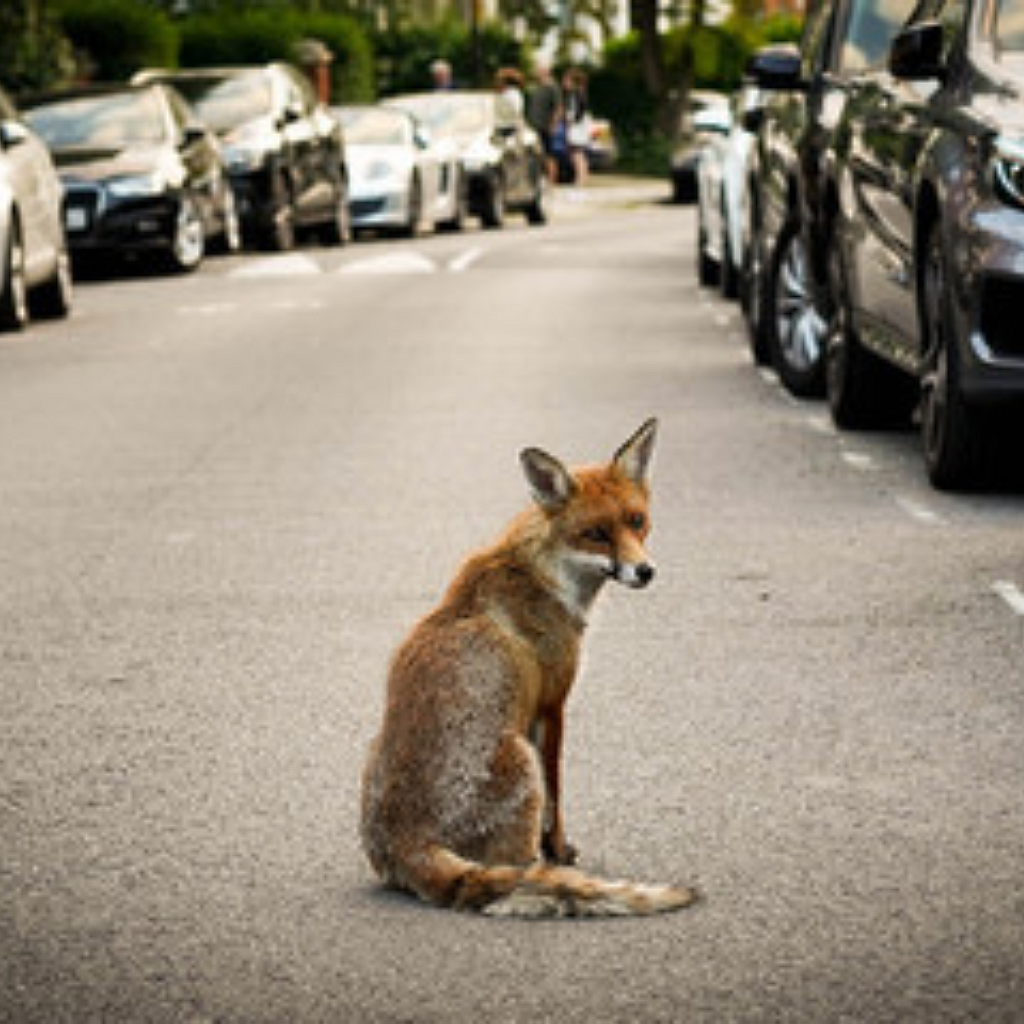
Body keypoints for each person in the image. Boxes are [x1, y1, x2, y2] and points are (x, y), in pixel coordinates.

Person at [526, 63, 562, 185]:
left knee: (549, 154)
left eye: (539, 71)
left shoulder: (552, 87)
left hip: (545, 125)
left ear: (546, 72)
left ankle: (552, 180)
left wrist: (553, 124)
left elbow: (558, 108)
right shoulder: (536, 87)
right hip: (534, 125)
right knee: (537, 154)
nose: (537, 73)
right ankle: (540, 179)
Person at [561, 68, 591, 187]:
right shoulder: (579, 93)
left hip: (577, 127)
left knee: (577, 152)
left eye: (566, 80)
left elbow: (577, 112)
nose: (564, 83)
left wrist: (570, 121)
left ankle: (581, 178)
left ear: (572, 81)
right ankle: (581, 177)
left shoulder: (575, 94)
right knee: (577, 152)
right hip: (578, 125)